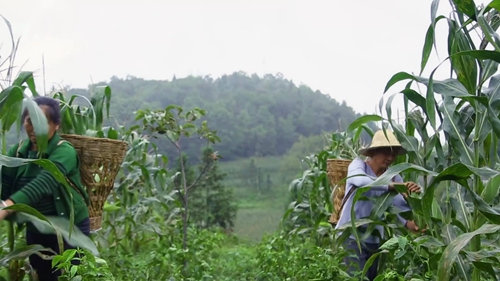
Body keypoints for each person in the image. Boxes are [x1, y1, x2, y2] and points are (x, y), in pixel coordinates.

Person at [0, 96, 90, 281]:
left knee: (69, 276)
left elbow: (44, 183)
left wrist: (6, 206)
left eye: (43, 122)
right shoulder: (16, 154)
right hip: (37, 228)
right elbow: (5, 188)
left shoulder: (64, 151)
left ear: (56, 125)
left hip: (70, 230)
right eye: (30, 121)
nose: (35, 129)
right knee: (43, 276)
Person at [334, 130, 422, 281]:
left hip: (374, 240)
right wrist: (392, 186)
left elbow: (398, 205)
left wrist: (409, 221)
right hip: (351, 236)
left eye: (393, 154)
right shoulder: (358, 165)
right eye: (385, 153)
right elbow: (361, 181)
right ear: (373, 152)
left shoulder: (393, 175)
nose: (390, 158)